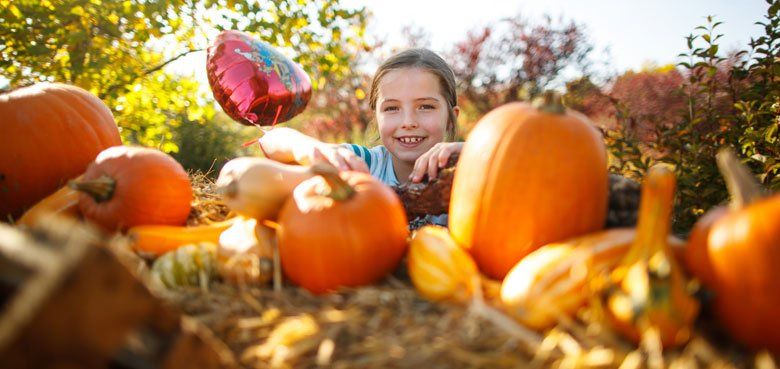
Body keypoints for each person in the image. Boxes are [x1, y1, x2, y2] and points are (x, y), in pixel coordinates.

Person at [257, 48, 462, 186]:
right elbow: (270, 141)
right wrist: (306, 147)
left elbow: (494, 160)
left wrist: (476, 153)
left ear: (451, 118)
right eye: (392, 108)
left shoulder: (468, 170)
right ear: (376, 117)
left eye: (425, 106)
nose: (408, 122)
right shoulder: (363, 164)